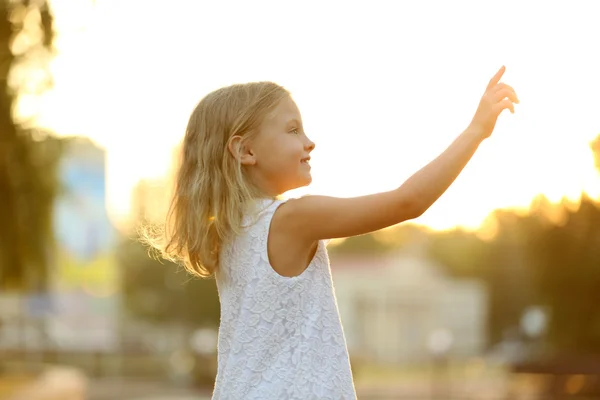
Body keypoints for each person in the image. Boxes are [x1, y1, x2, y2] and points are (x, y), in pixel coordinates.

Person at [144, 66, 519, 399]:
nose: (309, 142)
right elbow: (409, 202)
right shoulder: (294, 218)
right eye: (292, 130)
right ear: (245, 151)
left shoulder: (227, 235)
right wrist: (476, 131)